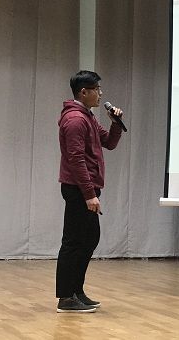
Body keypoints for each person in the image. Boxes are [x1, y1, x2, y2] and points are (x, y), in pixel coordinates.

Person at [55, 70, 124, 313]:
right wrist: (88, 194)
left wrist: (115, 123)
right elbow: (76, 160)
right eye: (96, 89)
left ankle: (76, 291)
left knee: (88, 239)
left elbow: (109, 143)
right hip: (78, 189)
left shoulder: (88, 116)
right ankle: (66, 297)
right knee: (74, 241)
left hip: (86, 189)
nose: (101, 93)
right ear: (83, 92)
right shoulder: (75, 120)